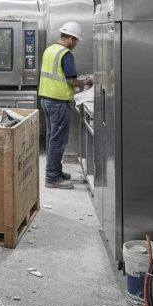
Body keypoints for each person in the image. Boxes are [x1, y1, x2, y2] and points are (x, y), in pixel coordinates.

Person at [38, 21, 92, 189]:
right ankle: (52, 177)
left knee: (51, 138)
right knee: (58, 140)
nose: (75, 44)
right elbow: (70, 81)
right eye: (75, 40)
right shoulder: (65, 53)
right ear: (70, 38)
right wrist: (86, 82)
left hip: (46, 99)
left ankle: (55, 172)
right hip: (58, 101)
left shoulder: (50, 49)